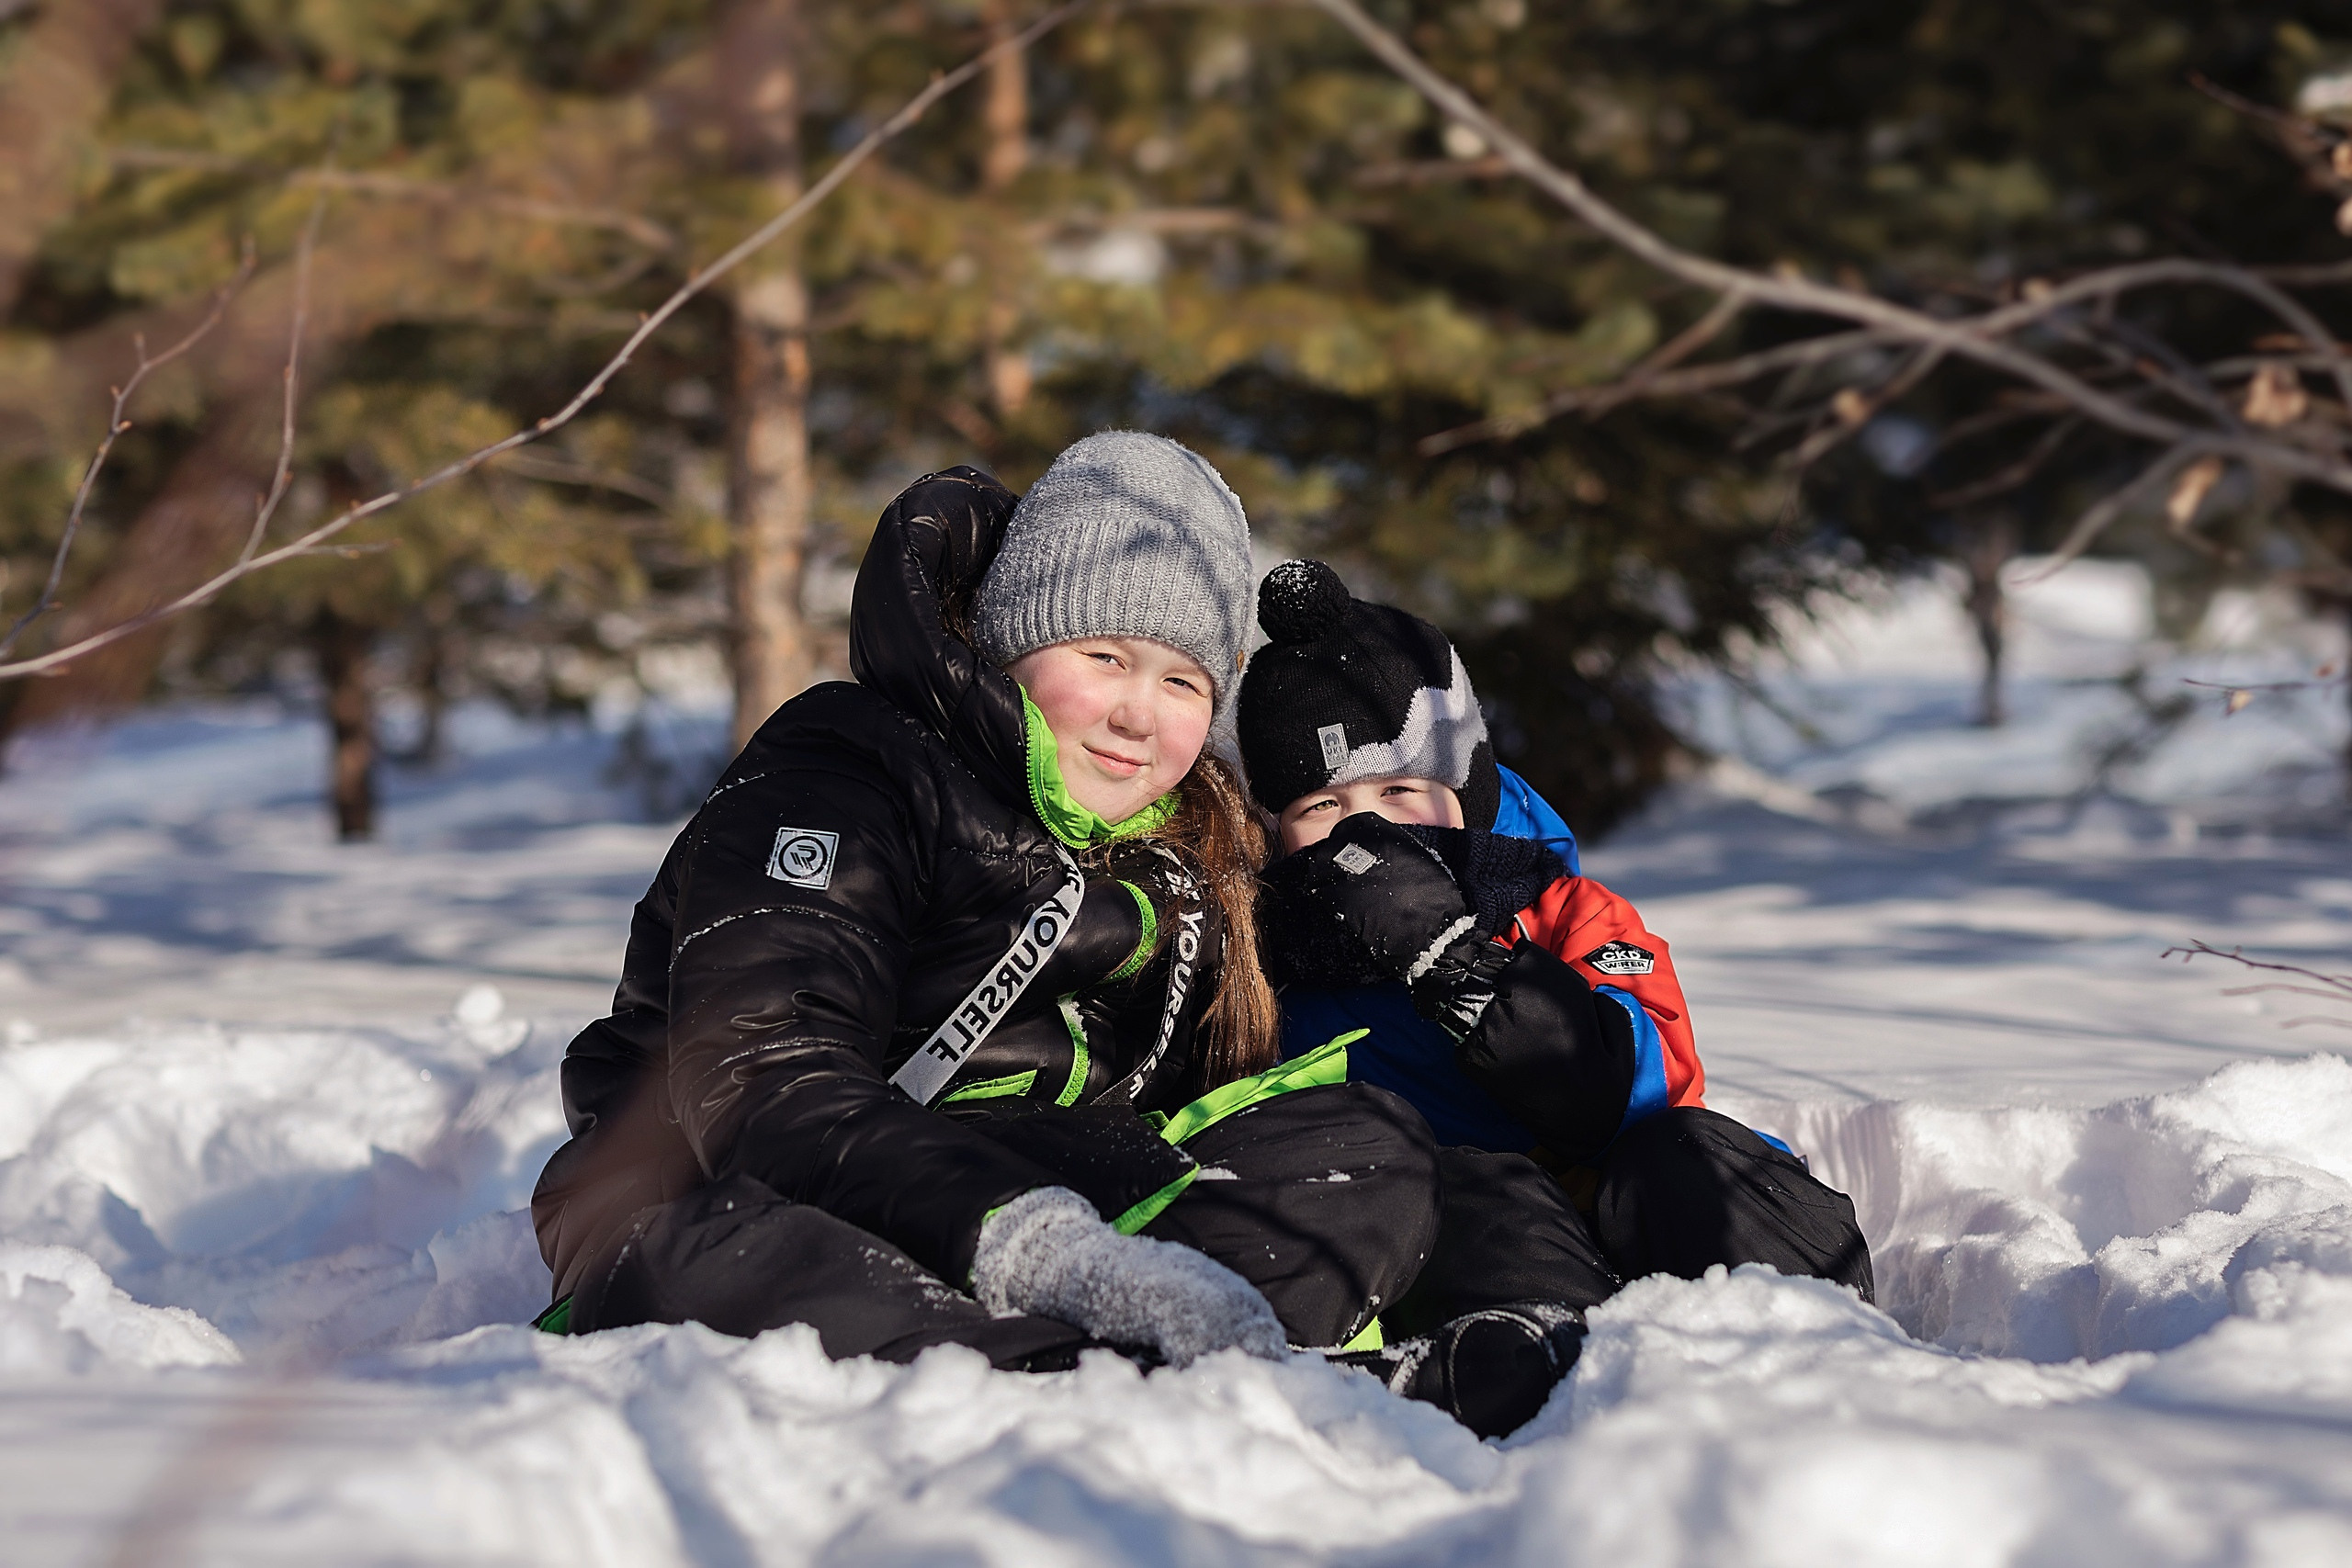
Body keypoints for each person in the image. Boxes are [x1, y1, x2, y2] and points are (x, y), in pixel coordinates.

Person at [528, 435, 1581, 1436]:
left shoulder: (1193, 843)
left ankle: (1150, 1368)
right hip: (750, 1171)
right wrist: (1038, 1243)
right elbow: (764, 1075)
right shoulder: (849, 769)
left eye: (1181, 681)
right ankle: (1190, 1387)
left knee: (1365, 1145)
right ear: (1012, 641)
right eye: (1105, 654)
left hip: (1053, 1186)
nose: (1138, 714)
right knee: (703, 1258)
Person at [1235, 559, 1876, 1330]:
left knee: (1684, 1155)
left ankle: (1811, 1334)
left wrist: (1463, 965)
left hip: (1641, 1206)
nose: (1369, 830)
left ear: (1466, 790)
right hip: (1487, 1241)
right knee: (1471, 1195)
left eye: (1400, 790)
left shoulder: (1565, 912)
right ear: (1275, 830)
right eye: (1324, 805)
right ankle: (1550, 1366)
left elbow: (1645, 1079)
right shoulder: (1269, 962)